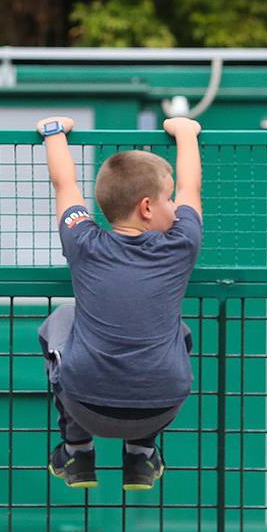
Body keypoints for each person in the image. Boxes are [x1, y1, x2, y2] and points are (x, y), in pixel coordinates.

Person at [35, 114, 203, 492]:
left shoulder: (83, 243)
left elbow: (64, 183)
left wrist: (54, 133)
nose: (175, 205)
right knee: (182, 331)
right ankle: (141, 454)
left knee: (63, 317)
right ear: (147, 207)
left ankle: (77, 448)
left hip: (86, 405)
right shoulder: (182, 244)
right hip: (161, 406)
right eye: (168, 198)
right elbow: (193, 186)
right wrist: (186, 133)